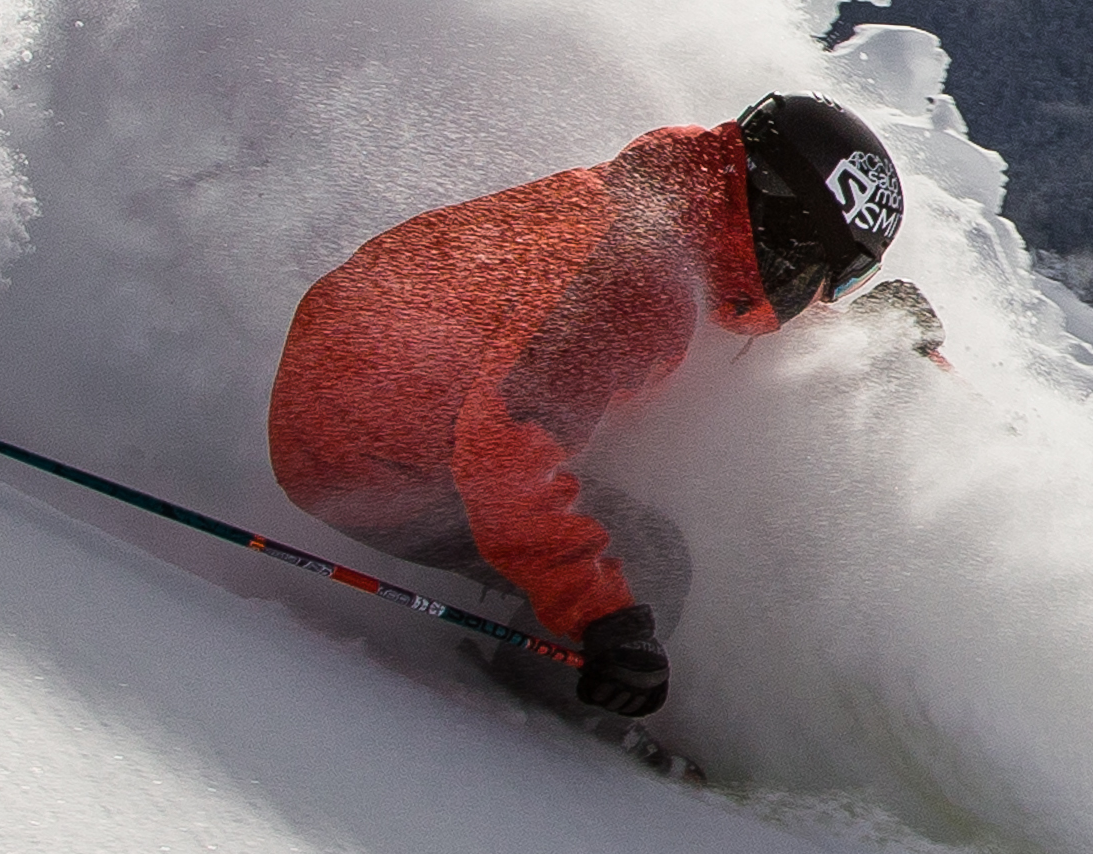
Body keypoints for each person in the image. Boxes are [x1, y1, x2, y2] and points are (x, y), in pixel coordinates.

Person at [263, 91, 907, 722]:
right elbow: (502, 453)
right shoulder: (638, 284)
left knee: (619, 476)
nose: (822, 294)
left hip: (355, 400)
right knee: (648, 558)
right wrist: (604, 618)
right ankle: (544, 718)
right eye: (834, 276)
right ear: (786, 234)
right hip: (362, 464)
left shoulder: (664, 205)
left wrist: (865, 330)